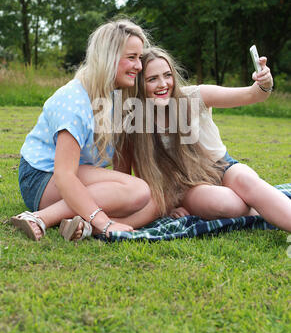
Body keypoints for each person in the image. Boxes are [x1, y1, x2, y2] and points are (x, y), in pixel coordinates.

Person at [114, 46, 291, 233]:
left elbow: (252, 94)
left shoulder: (195, 96)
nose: (163, 84)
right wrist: (167, 207)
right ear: (139, 84)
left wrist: (264, 83)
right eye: (152, 79)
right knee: (227, 205)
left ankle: (268, 206)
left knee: (248, 181)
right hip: (186, 187)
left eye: (167, 75)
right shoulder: (132, 119)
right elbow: (130, 178)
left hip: (221, 167)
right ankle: (265, 205)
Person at [11, 19, 152, 241]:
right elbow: (65, 175)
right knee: (139, 191)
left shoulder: (117, 96)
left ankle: (85, 226)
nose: (139, 66)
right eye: (132, 58)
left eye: (140, 58)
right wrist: (105, 221)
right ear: (109, 57)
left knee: (151, 199)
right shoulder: (74, 100)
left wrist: (123, 201)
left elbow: (121, 167)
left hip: (76, 176)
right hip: (42, 179)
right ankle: (40, 217)